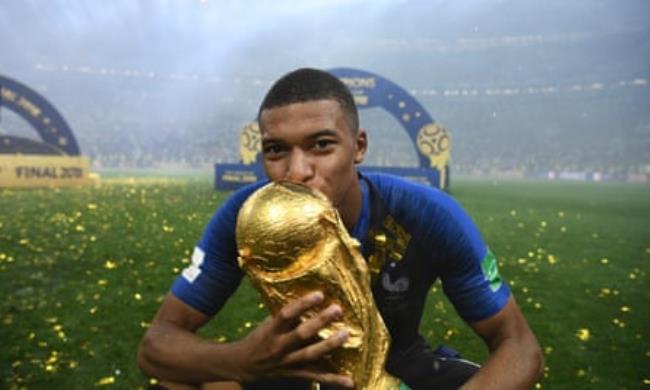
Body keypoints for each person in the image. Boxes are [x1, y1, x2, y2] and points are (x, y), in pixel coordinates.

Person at [138, 68, 543, 389]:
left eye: (321, 145)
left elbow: (520, 347)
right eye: (277, 150)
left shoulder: (426, 213)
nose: (297, 172)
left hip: (400, 365)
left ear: (359, 147)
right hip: (297, 370)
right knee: (178, 383)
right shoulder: (244, 218)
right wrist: (241, 359)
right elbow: (157, 345)